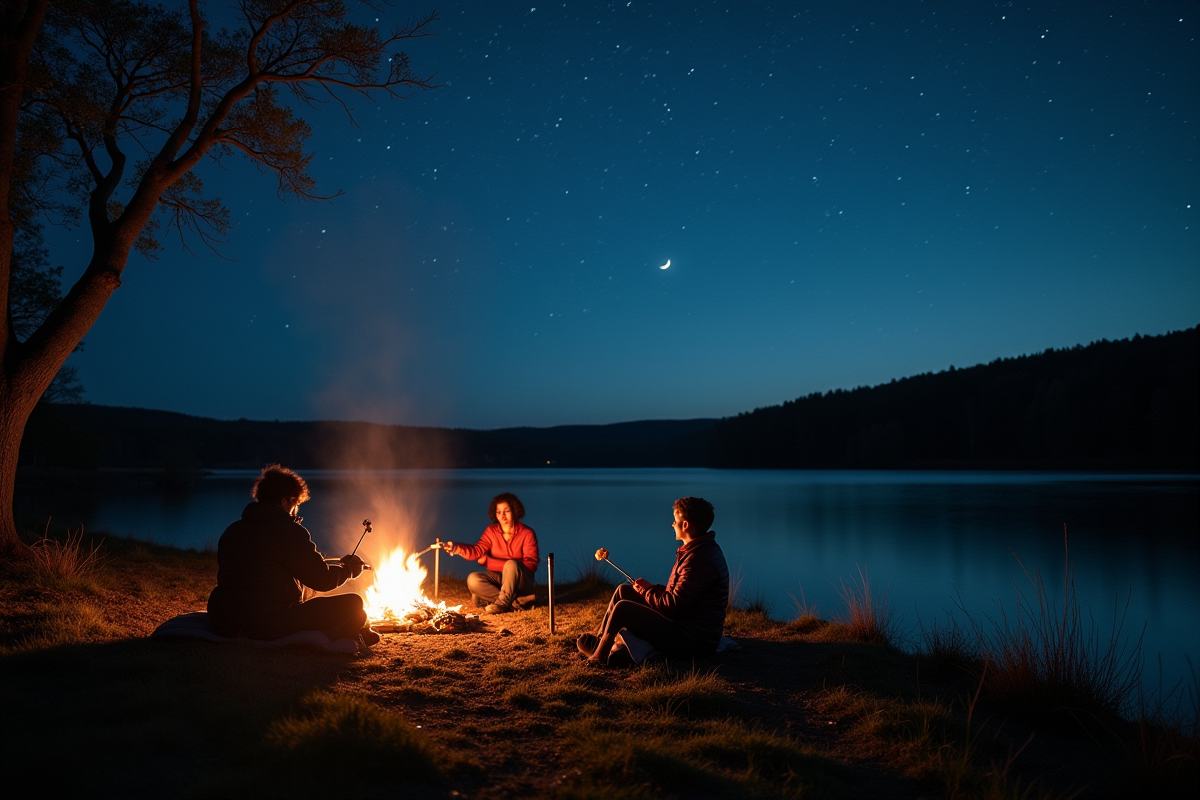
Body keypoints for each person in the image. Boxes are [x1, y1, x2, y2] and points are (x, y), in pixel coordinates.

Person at [206, 464, 379, 645]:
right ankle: (347, 632)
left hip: (223, 621)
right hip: (269, 623)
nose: (296, 511)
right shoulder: (288, 531)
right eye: (295, 505)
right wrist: (348, 571)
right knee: (354, 604)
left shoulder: (233, 530)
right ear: (284, 501)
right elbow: (322, 579)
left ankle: (348, 631)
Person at [578, 496, 729, 667]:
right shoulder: (697, 550)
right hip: (683, 624)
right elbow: (680, 596)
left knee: (624, 609)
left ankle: (599, 658)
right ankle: (601, 644)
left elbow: (673, 607)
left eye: (675, 520)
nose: (672, 524)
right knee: (624, 591)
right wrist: (650, 588)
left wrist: (646, 592)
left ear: (685, 525)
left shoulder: (699, 560)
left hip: (692, 640)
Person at [439, 492, 539, 614]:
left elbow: (531, 565)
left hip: (521, 582)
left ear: (515, 511)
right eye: (498, 512)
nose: (502, 515)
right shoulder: (491, 532)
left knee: (511, 564)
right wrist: (456, 548)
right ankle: (515, 602)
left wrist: (490, 562)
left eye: (506, 511)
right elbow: (477, 551)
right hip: (499, 580)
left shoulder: (527, 533)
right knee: (473, 579)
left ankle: (501, 604)